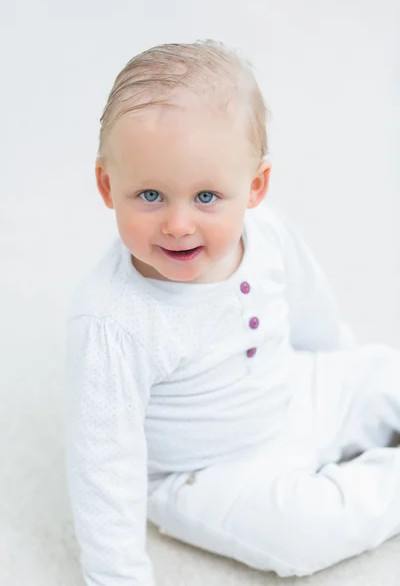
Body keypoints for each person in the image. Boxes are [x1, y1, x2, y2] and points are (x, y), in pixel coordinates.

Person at [65, 40, 400, 586]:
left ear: (255, 188)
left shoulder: (265, 233)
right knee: (307, 533)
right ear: (108, 185)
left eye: (206, 197)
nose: (177, 224)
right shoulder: (112, 323)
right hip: (204, 473)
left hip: (292, 388)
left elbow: (311, 306)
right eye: (149, 195)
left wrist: (342, 374)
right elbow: (102, 466)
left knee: (386, 372)